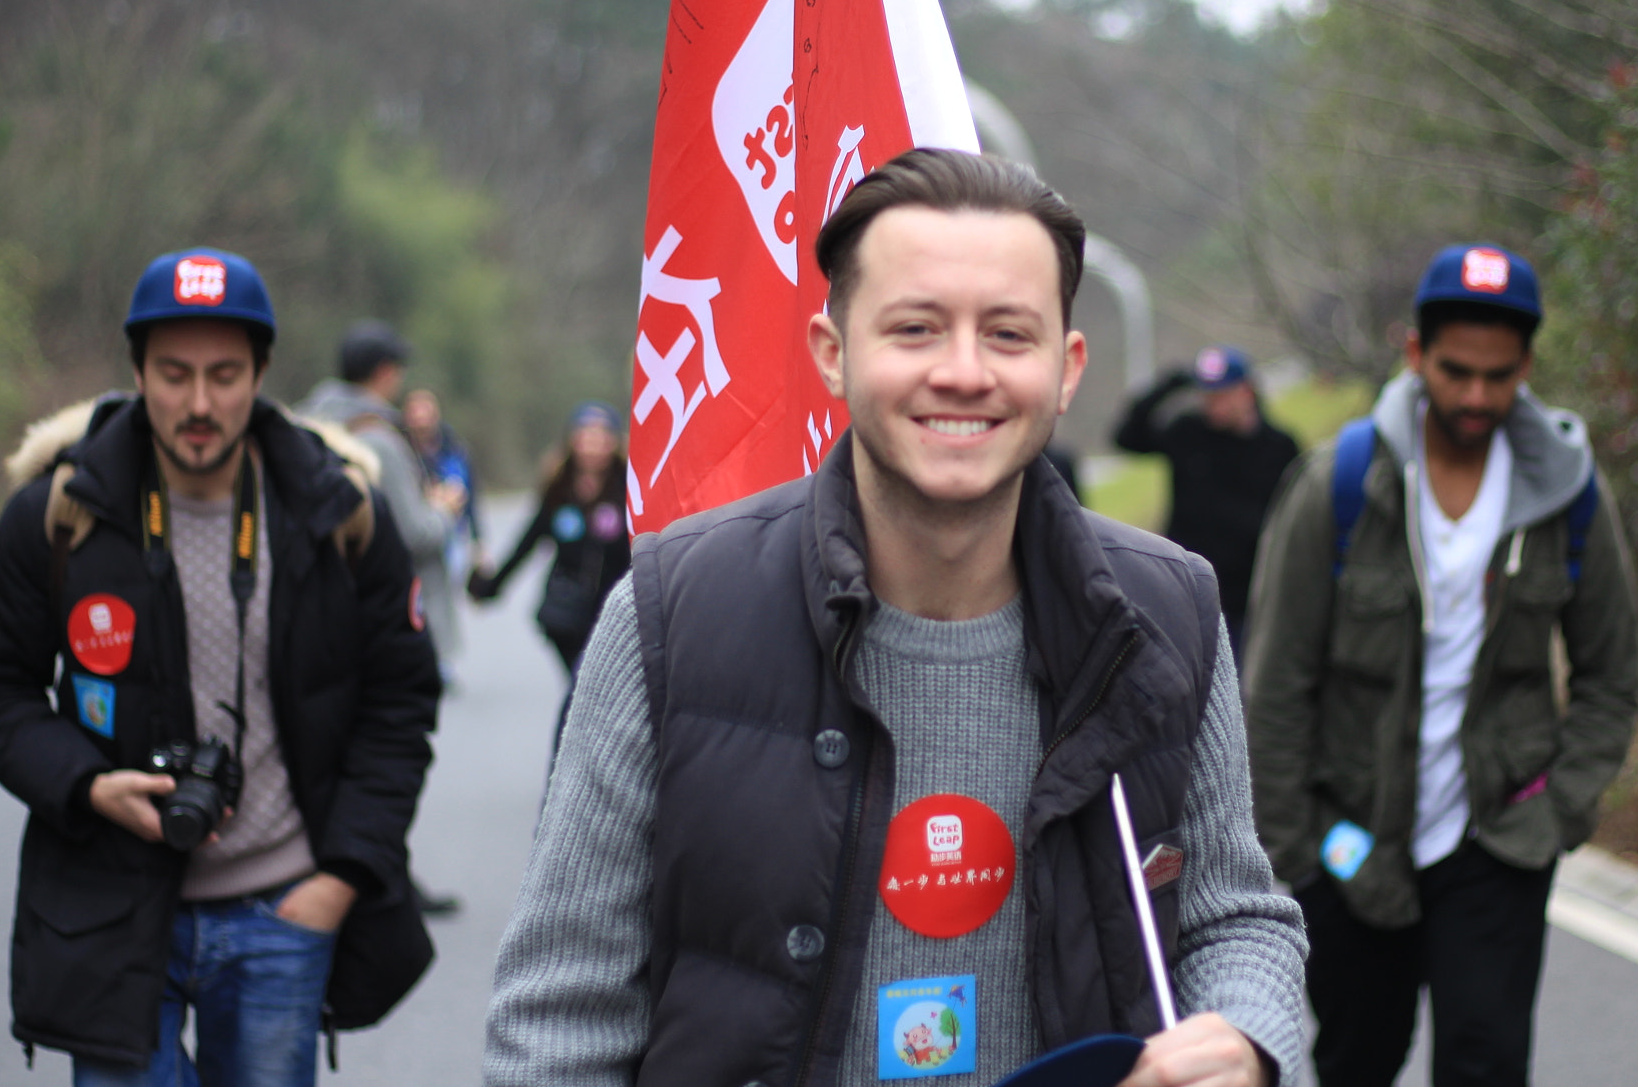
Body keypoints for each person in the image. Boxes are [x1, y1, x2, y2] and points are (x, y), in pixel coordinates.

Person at [482, 150, 1306, 1087]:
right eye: (915, 328)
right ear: (833, 353)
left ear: (1067, 367)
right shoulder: (671, 612)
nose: (964, 372)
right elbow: (560, 1016)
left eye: (1008, 334)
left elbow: (1234, 915)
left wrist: (1249, 1038)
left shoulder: (1167, 613)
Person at [0, 248, 441, 1086]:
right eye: (174, 374)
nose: (201, 402)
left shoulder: (337, 514)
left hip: (282, 913)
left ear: (262, 372)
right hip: (111, 906)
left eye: (225, 373)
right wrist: (84, 783)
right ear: (138, 370)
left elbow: (401, 699)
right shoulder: (63, 513)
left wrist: (341, 875)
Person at [1243, 244, 1638, 1087]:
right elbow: (1274, 686)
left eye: (1498, 376)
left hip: (1497, 840)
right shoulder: (1340, 487)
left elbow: (1612, 670)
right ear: (1415, 351)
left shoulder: (1568, 495)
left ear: (1527, 366)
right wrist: (1298, 859)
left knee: (1486, 1063)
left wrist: (1558, 812)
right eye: (1456, 370)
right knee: (1358, 1060)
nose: (1475, 395)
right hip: (1351, 841)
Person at [295, 323, 465, 683]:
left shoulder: (302, 427)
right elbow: (415, 535)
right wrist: (444, 510)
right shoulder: (380, 440)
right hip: (381, 618)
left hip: (314, 608)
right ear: (385, 372)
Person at [1112, 345, 1299, 659]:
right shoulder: (1188, 432)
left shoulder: (1278, 447)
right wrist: (1170, 383)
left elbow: (1290, 523)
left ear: (1247, 391)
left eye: (1223, 395)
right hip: (1185, 591)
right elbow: (1127, 437)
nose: (1214, 406)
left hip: (1249, 599)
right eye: (1207, 396)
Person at [466, 403, 629, 680]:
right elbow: (527, 543)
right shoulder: (559, 489)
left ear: (613, 443)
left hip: (616, 610)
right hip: (568, 614)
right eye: (585, 437)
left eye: (601, 438)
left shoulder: (627, 490)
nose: (592, 447)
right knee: (582, 685)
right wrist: (489, 586)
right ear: (571, 442)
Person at [403, 387, 481, 586]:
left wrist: (477, 542)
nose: (421, 420)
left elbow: (472, 498)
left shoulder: (455, 450)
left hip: (453, 538)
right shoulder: (402, 454)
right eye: (415, 414)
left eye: (425, 413)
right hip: (417, 539)